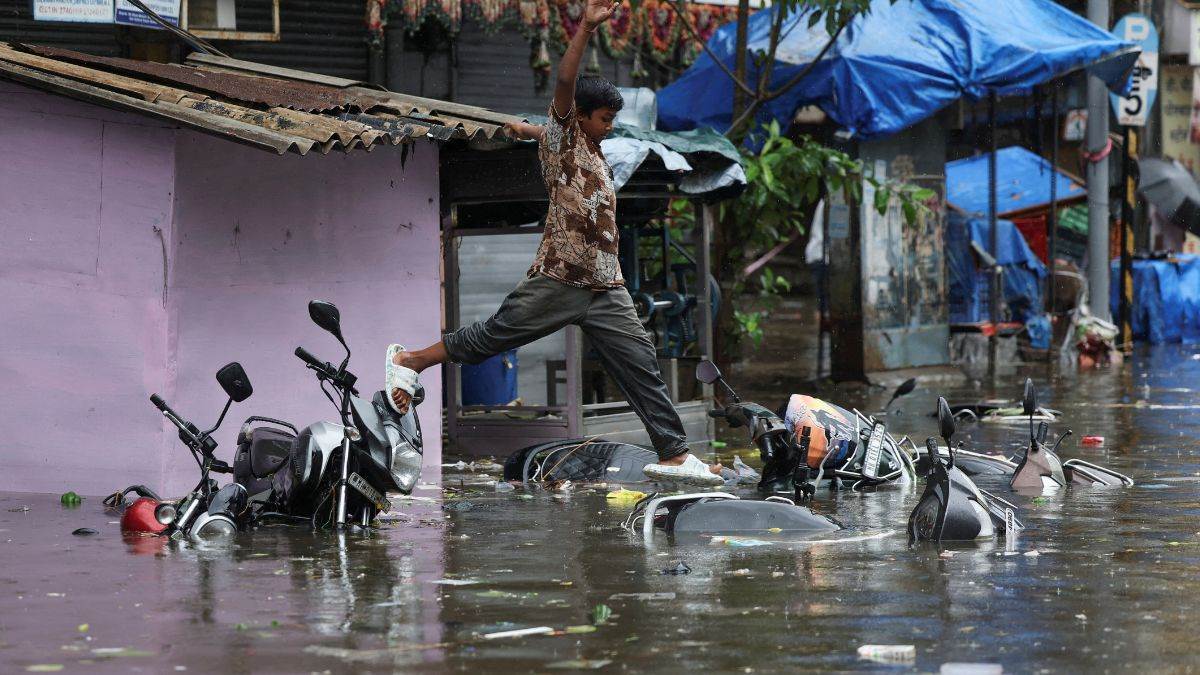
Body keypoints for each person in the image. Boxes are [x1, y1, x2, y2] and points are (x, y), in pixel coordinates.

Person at [385, 0, 721, 486]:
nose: (609, 127)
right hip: (560, 280)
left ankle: (672, 453)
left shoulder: (585, 146)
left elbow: (550, 132)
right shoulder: (564, 139)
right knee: (494, 336)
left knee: (642, 363)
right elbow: (564, 87)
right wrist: (584, 26)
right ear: (580, 117)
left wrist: (524, 130)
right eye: (603, 118)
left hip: (607, 288)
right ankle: (409, 361)